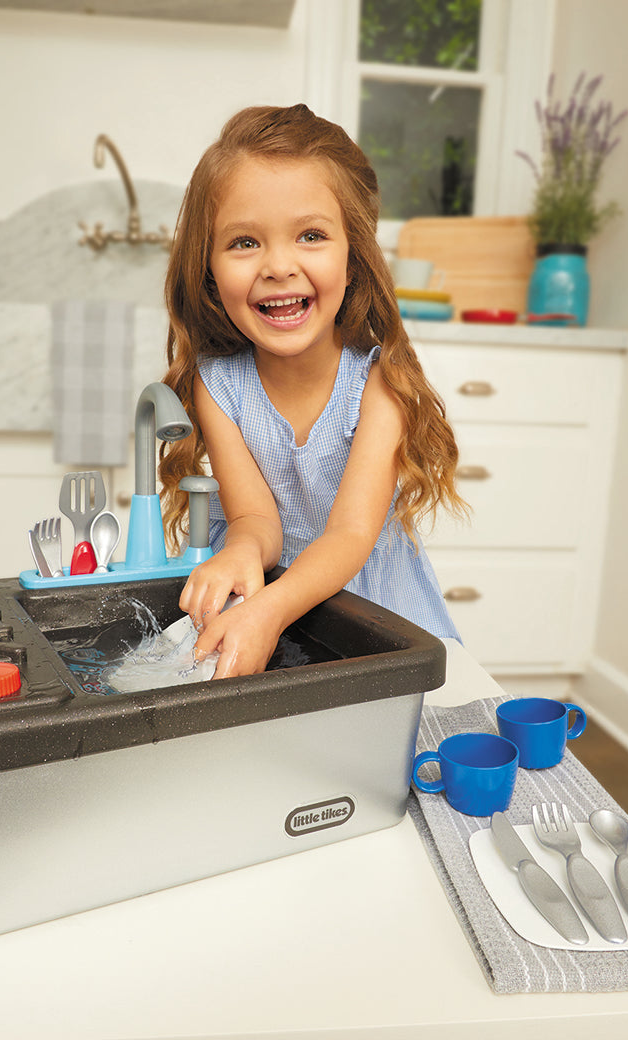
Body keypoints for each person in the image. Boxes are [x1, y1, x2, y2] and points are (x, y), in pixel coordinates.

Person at [159, 103, 467, 679]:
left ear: (354, 256)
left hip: (377, 617)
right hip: (277, 615)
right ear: (208, 270)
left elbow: (349, 535)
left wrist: (268, 611)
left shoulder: (379, 385)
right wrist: (242, 550)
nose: (279, 266)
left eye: (311, 235)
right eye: (244, 242)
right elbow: (255, 517)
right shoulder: (217, 384)